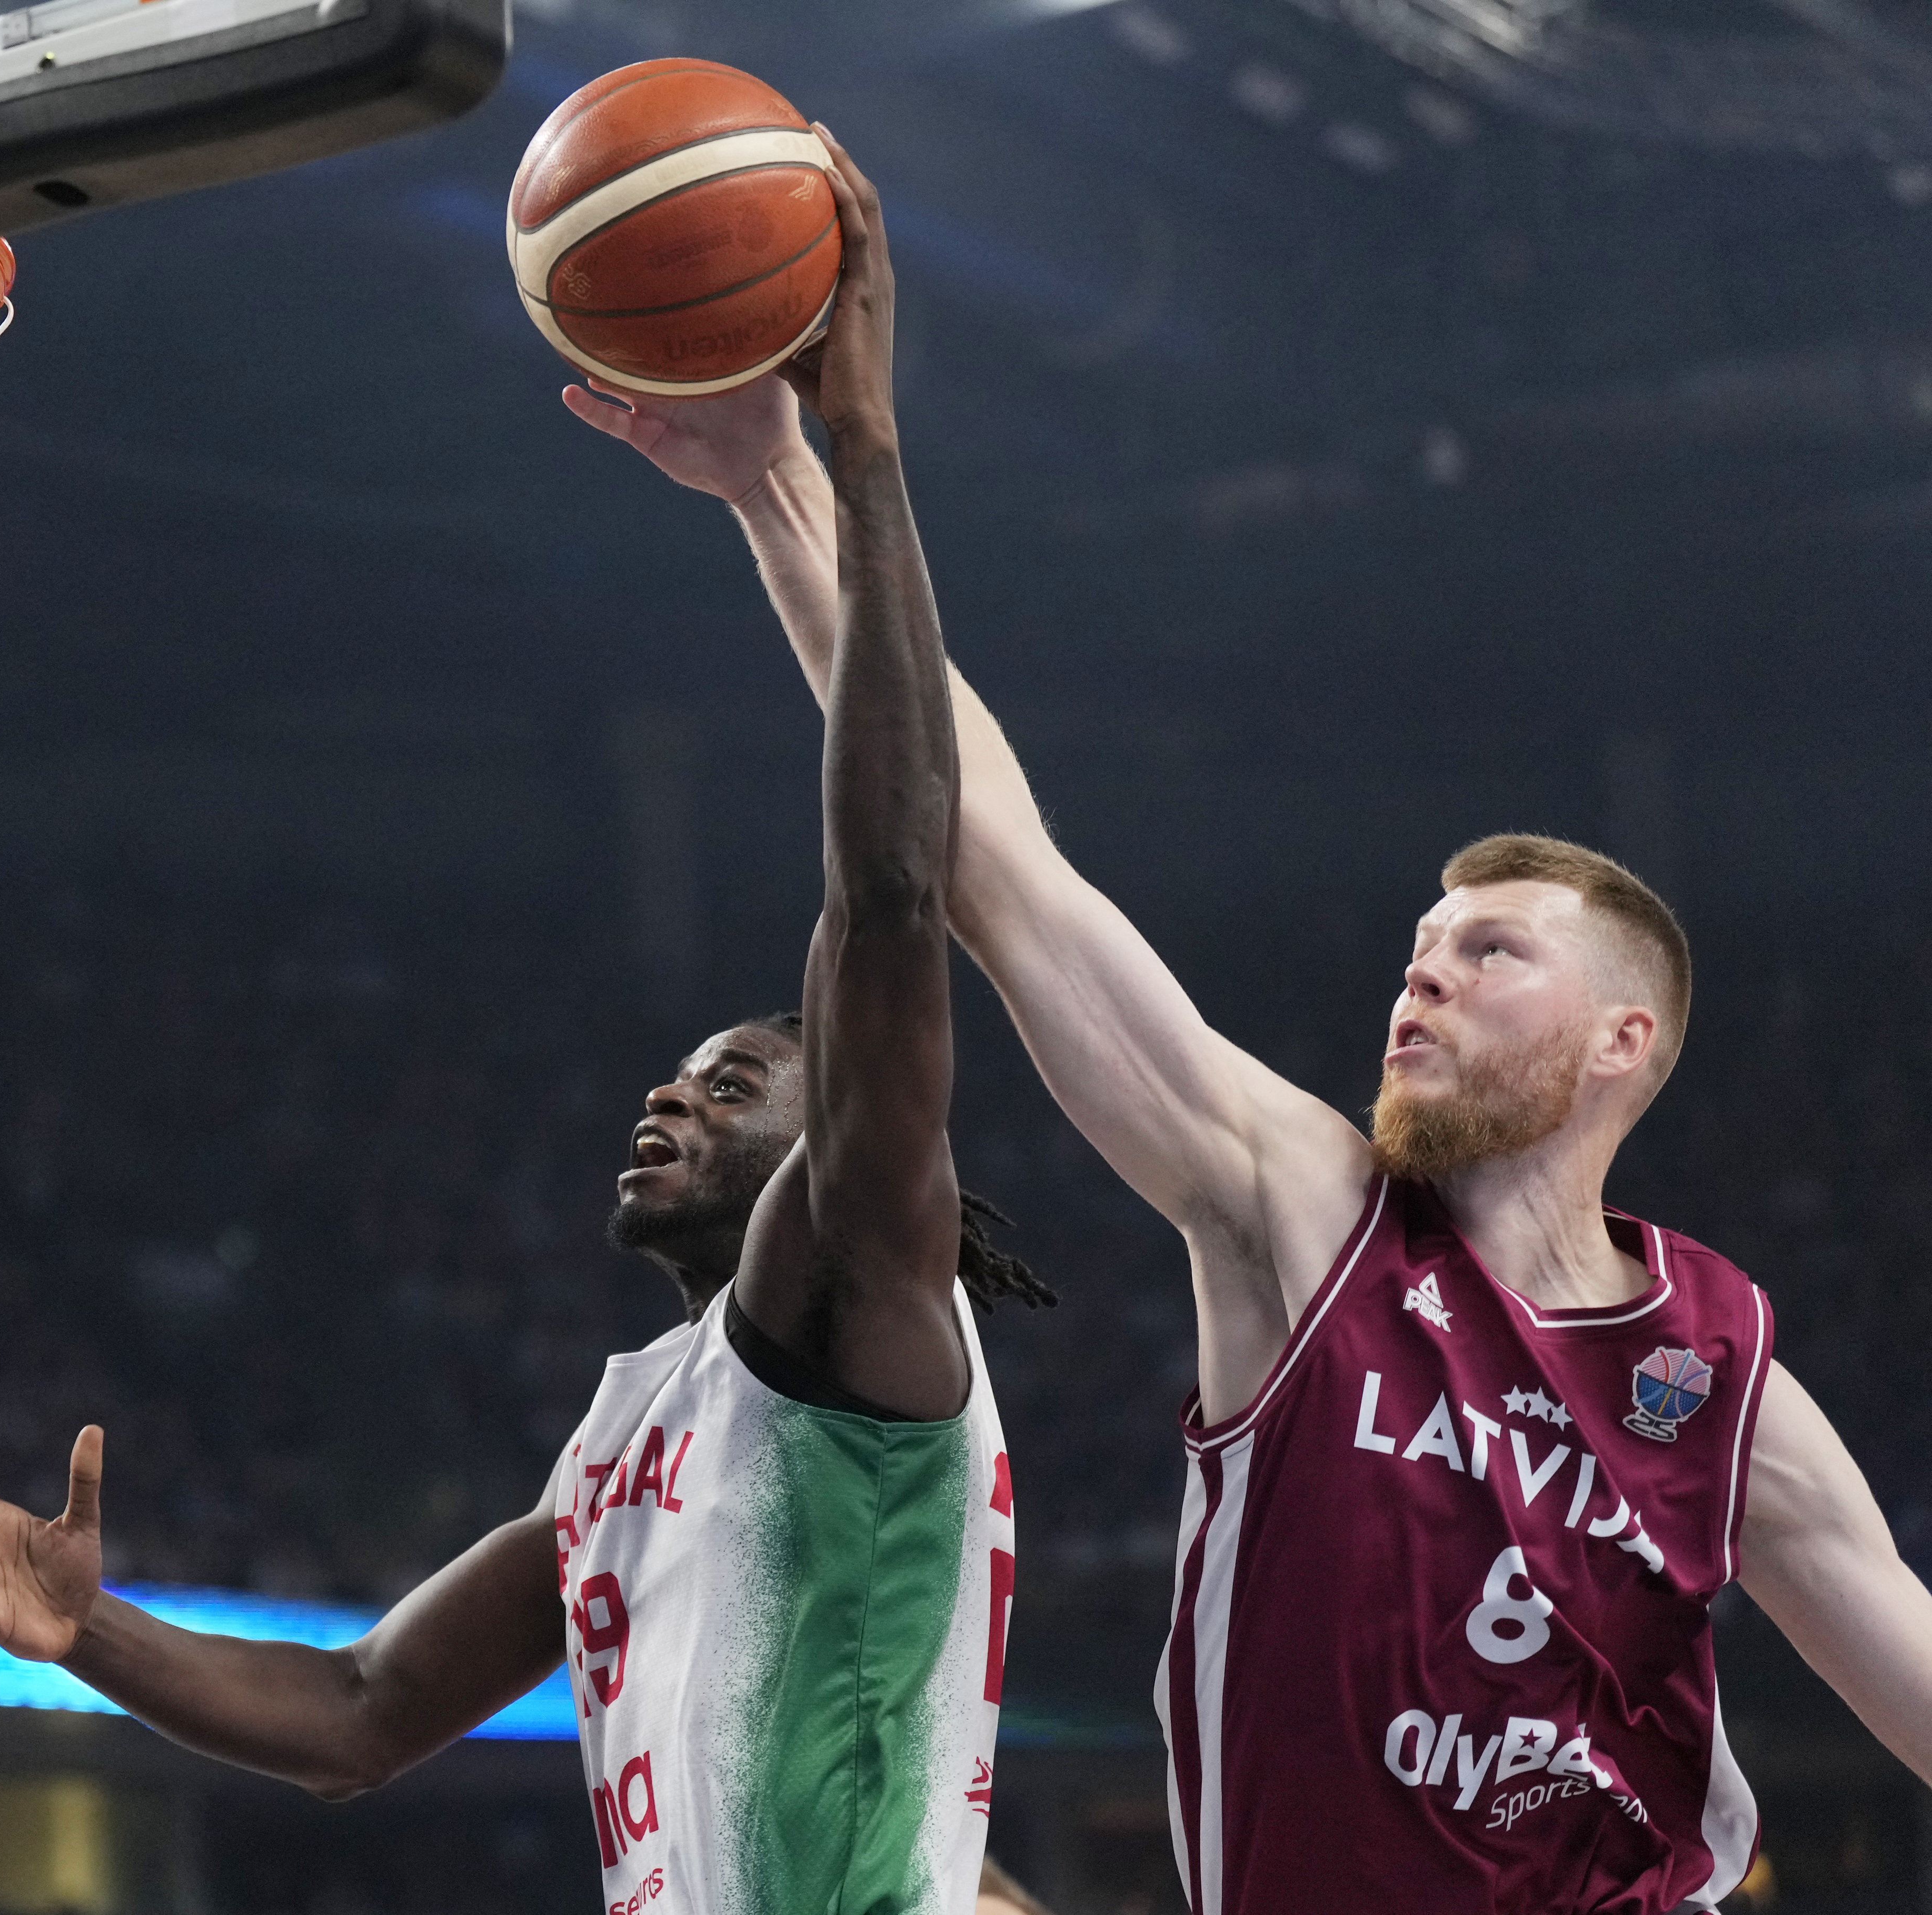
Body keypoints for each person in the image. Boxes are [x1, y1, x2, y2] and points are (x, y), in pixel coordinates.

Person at [0, 133, 1050, 1914]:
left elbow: (886, 891)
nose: (674, 1090)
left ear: (834, 1130)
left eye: (735, 1078)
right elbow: (360, 1711)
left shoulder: (856, 1286)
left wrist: (857, 452)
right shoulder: (650, 1416)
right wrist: (96, 1631)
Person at [565, 344, 1932, 1909]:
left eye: (1491, 952)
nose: (1426, 974)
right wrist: (782, 481)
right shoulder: (1302, 1205)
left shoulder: (1719, 1366)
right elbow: (989, 859)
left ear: (1626, 1042)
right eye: (1421, 949)